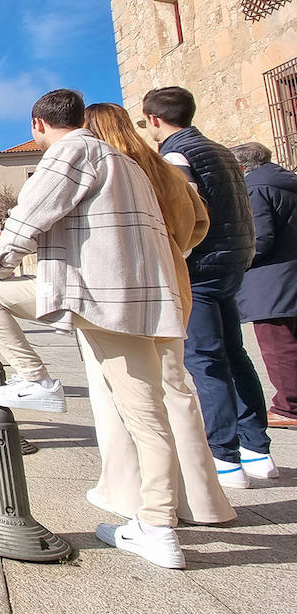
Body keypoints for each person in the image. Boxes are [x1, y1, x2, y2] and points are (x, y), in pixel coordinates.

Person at [0, 89, 189, 569]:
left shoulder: (72, 150)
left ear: (37, 124)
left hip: (98, 294)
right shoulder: (128, 162)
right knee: (148, 414)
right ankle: (159, 525)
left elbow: (31, 214)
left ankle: (34, 378)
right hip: (139, 295)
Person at [83, 102, 234, 524]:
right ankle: (203, 500)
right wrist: (174, 250)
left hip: (112, 284)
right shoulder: (165, 167)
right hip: (171, 279)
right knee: (174, 387)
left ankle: (126, 489)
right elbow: (199, 223)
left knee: (118, 387)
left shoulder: (103, 170)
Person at [142, 86, 271, 486]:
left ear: (154, 120)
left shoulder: (176, 155)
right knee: (235, 355)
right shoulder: (221, 151)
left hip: (200, 266)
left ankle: (225, 457)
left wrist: (172, 255)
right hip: (234, 261)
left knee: (206, 359)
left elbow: (184, 211)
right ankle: (257, 451)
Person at [233, 142, 297, 430]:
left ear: (242, 167)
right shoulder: (285, 181)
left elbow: (259, 238)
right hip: (288, 273)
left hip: (272, 280)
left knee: (278, 345)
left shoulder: (256, 188)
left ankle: (289, 407)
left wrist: (233, 258)